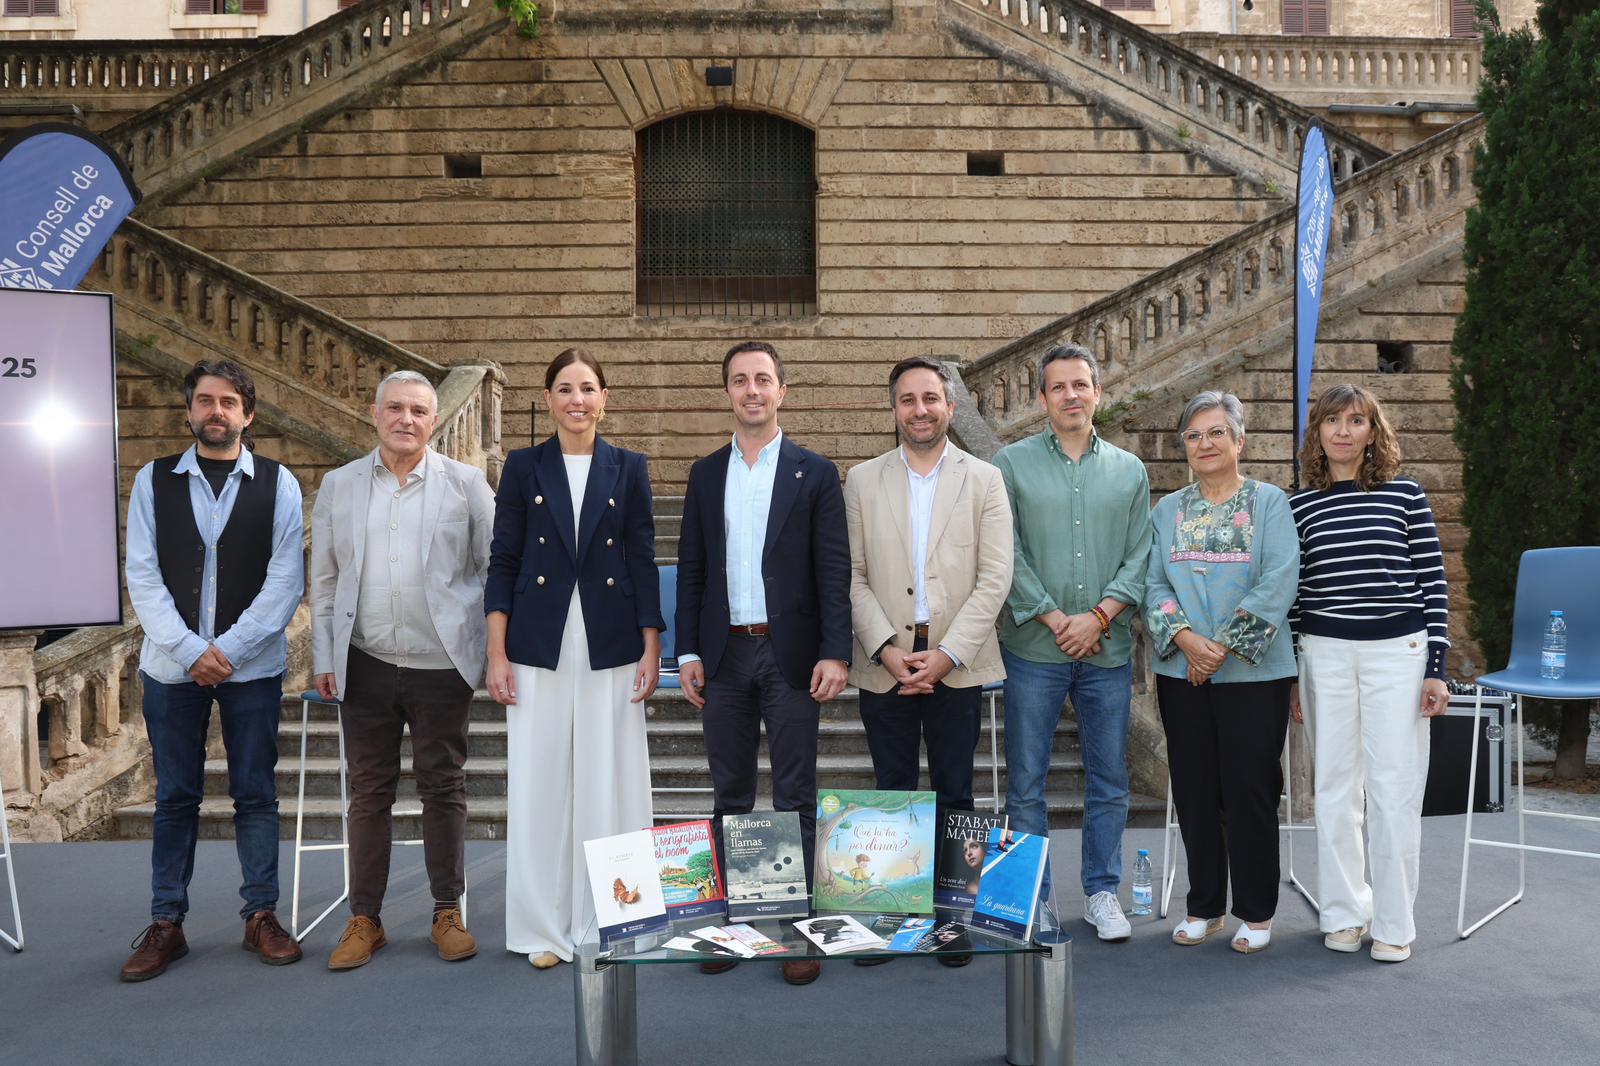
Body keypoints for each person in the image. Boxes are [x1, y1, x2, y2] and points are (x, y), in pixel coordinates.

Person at [120, 359, 305, 980]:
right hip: (172, 671)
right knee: (175, 796)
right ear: (191, 410)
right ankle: (166, 922)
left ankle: (261, 915)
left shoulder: (280, 483)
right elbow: (142, 575)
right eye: (205, 400)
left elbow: (286, 580)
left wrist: (227, 648)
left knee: (256, 792)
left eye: (228, 401)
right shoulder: (153, 480)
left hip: (251, 667)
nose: (216, 411)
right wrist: (189, 651)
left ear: (248, 414)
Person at [676, 340, 851, 986]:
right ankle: (734, 924)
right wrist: (688, 650)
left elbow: (834, 572)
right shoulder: (703, 474)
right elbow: (693, 568)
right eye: (740, 380)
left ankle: (798, 927)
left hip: (791, 655)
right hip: (723, 654)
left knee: (795, 793)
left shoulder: (814, 472)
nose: (752, 389)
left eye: (763, 379)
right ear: (727, 391)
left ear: (782, 391)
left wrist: (836, 650)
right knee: (731, 794)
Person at [483, 348, 663, 970]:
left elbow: (642, 558)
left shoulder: (629, 468)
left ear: (604, 397)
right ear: (550, 399)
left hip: (612, 642)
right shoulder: (523, 467)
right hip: (538, 643)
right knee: (539, 781)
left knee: (612, 773)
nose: (577, 399)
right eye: (565, 388)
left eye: (588, 388)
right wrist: (496, 651)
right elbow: (503, 561)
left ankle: (621, 913)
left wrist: (652, 644)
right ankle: (543, 926)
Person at [310, 370, 495, 971]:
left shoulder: (467, 486)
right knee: (369, 792)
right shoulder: (338, 486)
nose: (406, 419)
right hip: (364, 660)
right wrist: (324, 655)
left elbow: (491, 571)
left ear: (433, 421)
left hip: (441, 663)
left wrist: (494, 653)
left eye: (418, 410)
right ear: (374, 413)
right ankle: (365, 918)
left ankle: (448, 911)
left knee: (443, 786)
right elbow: (326, 577)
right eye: (395, 408)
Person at [844, 355, 1012, 969]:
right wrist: (886, 648)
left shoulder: (985, 480)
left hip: (957, 664)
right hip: (884, 662)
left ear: (949, 407)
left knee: (957, 792)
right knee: (891, 793)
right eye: (909, 400)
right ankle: (892, 912)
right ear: (894, 409)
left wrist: (944, 655)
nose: (920, 410)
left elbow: (995, 578)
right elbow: (852, 575)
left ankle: (951, 919)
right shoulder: (861, 481)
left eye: (931, 399)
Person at [993, 342, 1150, 942]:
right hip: (1034, 649)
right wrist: (1058, 618)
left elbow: (1141, 554)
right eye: (1058, 387)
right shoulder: (1009, 465)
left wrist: (1102, 616)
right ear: (1042, 399)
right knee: (1026, 782)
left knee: (1109, 779)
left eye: (1081, 385)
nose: (1071, 395)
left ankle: (1102, 891)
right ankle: (1032, 896)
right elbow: (1006, 554)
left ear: (1097, 393)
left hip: (1106, 651)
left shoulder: (1130, 471)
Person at [1290, 383, 1450, 964]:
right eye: (1332, 420)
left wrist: (1437, 669)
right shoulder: (1299, 505)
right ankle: (1342, 914)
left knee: (1393, 790)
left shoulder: (1406, 495)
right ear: (1318, 433)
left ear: (1371, 432)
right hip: (1324, 653)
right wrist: (1292, 675)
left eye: (1355, 421)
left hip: (1397, 655)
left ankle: (1394, 922)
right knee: (1333, 790)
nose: (1342, 430)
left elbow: (1434, 587)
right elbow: (1294, 597)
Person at [1143, 392, 1299, 954]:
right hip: (1181, 671)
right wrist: (1187, 641)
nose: (1204, 444)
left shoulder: (1270, 504)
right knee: (1194, 786)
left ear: (1239, 441)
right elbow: (1152, 583)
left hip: (1255, 674)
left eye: (1215, 433)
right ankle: (1203, 905)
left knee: (1250, 788)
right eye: (1193, 435)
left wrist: (1224, 648)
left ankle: (1255, 912)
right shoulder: (1166, 512)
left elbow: (1280, 579)